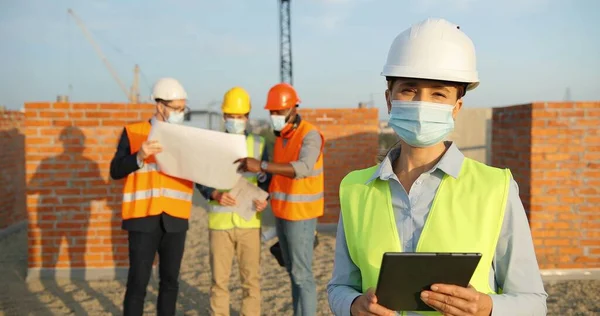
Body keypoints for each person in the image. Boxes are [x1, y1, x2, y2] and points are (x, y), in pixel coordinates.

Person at [327, 18, 548, 316]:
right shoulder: (354, 189)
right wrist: (353, 306)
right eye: (409, 89)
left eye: (439, 94)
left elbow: (533, 301)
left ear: (456, 107)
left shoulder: (496, 188)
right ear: (389, 99)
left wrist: (487, 308)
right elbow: (339, 286)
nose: (422, 103)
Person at [236, 83, 324, 316]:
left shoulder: (310, 134)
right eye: (271, 112)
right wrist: (264, 174)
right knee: (293, 272)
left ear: (294, 109)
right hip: (283, 213)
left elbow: (304, 167)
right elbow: (279, 174)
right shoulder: (282, 138)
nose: (274, 116)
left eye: (278, 111)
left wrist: (262, 165)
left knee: (302, 275)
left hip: (301, 216)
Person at [110, 77, 194, 316]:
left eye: (182, 109)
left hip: (175, 219)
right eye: (176, 109)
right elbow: (115, 170)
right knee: (137, 283)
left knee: (170, 283)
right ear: (160, 106)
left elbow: (198, 171)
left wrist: (215, 191)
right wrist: (139, 156)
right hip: (142, 217)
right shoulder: (134, 132)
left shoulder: (186, 137)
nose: (180, 113)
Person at [196, 86, 271, 316]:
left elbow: (267, 178)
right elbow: (200, 177)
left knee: (251, 283)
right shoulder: (212, 143)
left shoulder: (259, 144)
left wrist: (264, 198)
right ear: (224, 116)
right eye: (231, 116)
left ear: (247, 117)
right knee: (219, 283)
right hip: (220, 224)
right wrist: (214, 194)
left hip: (249, 222)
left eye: (239, 116)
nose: (235, 120)